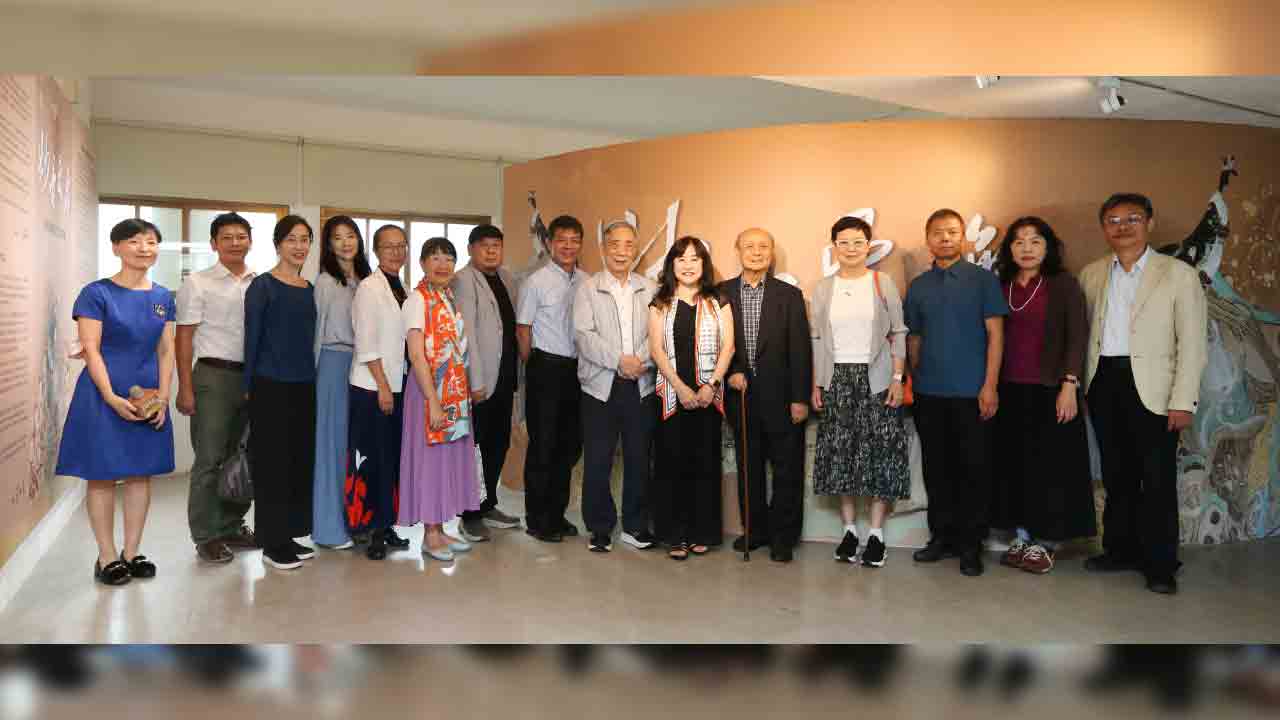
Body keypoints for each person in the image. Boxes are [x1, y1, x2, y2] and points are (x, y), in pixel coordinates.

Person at [1079, 193, 1207, 594]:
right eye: (1113, 220)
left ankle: (1160, 564)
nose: (1123, 227)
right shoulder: (1092, 273)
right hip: (1104, 382)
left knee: (1156, 479)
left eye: (1132, 219)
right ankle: (1120, 550)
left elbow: (1192, 343)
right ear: (1104, 228)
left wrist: (1183, 400)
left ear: (1149, 223)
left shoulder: (1178, 274)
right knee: (1116, 475)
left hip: (1155, 388)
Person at [57, 218, 175, 585]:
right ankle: (106, 556)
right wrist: (109, 396)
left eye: (151, 242)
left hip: (147, 397)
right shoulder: (96, 293)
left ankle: (132, 551)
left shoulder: (163, 297)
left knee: (141, 473)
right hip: (102, 394)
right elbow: (91, 348)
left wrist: (163, 396)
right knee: (102, 475)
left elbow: (166, 350)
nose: (144, 248)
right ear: (116, 248)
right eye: (134, 241)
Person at [991, 217, 1097, 574]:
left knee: (1051, 469)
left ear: (1048, 247)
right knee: (1015, 467)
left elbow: (1077, 336)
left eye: (1035, 241)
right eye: (1019, 242)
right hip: (1008, 390)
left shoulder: (1063, 284)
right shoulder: (1001, 285)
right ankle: (1023, 537)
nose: (1027, 248)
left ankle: (1046, 542)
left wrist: (1069, 384)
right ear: (1009, 249)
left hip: (1051, 389)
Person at [904, 208, 1008, 577]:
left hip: (972, 392)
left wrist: (990, 385)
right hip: (929, 393)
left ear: (962, 237)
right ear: (928, 239)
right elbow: (913, 338)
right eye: (937, 232)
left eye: (951, 231)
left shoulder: (983, 280)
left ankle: (971, 545)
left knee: (973, 470)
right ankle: (941, 538)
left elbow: (996, 335)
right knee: (936, 470)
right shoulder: (919, 286)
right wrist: (914, 377)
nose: (945, 238)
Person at [810, 216, 909, 568]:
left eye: (858, 242)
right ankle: (849, 532)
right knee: (842, 455)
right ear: (834, 246)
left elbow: (898, 332)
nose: (851, 249)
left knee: (882, 454)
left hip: (878, 379)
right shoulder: (823, 288)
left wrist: (897, 377)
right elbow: (816, 337)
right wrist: (817, 382)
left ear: (868, 246)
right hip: (837, 379)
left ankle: (877, 535)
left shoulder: (882, 283)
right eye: (844, 242)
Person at [719, 228, 813, 563]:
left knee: (787, 469)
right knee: (749, 467)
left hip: (784, 398)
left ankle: (783, 536)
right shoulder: (721, 293)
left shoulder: (789, 295)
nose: (756, 252)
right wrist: (730, 372)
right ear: (738, 250)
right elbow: (715, 342)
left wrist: (800, 398)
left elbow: (801, 350)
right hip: (742, 396)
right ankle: (754, 531)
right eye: (749, 246)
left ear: (771, 252)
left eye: (763, 246)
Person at [175, 212, 258, 564]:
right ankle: (206, 535)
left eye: (241, 236)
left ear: (250, 241)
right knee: (209, 459)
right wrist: (185, 387)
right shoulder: (198, 283)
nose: (235, 243)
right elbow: (184, 337)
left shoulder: (259, 282)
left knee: (242, 455)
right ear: (214, 243)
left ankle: (231, 525)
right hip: (213, 376)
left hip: (251, 378)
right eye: (227, 237)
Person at [574, 221, 660, 553]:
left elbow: (658, 334)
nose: (621, 252)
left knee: (639, 458)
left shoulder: (650, 288)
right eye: (614, 244)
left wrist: (640, 361)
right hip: (600, 386)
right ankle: (599, 528)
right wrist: (619, 361)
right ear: (603, 248)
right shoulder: (588, 288)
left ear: (635, 249)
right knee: (598, 460)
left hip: (641, 385)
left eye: (628, 245)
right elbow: (584, 335)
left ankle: (635, 526)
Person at [648, 236, 735, 560]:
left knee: (705, 464)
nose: (688, 265)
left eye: (695, 259)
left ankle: (702, 533)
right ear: (672, 264)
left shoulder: (718, 300)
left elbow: (729, 347)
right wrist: (681, 388)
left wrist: (711, 385)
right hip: (672, 396)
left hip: (707, 396)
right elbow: (656, 350)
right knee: (671, 465)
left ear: (704, 264)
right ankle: (675, 535)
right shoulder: (661, 302)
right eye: (681, 259)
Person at [398, 237, 481, 561]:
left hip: (452, 392)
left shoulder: (446, 297)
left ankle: (441, 527)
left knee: (447, 460)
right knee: (431, 462)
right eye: (435, 257)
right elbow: (417, 355)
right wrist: (433, 400)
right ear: (422, 263)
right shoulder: (417, 300)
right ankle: (429, 535)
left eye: (448, 258)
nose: (442, 264)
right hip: (427, 391)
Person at [244, 215, 317, 570]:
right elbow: (251, 339)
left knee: (296, 464)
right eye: (291, 239)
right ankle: (272, 543)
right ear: (277, 245)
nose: (299, 246)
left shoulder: (309, 288)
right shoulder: (262, 286)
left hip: (304, 385)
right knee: (272, 465)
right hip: (269, 386)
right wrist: (248, 390)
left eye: (305, 240)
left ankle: (288, 534)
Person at [516, 215, 588, 542]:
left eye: (574, 240)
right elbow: (523, 329)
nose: (568, 246)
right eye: (562, 240)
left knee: (569, 445)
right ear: (550, 243)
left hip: (579, 370)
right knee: (543, 445)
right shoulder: (535, 282)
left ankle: (557, 515)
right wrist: (534, 366)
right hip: (545, 368)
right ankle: (538, 519)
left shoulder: (587, 281)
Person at [451, 224, 523, 541]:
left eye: (497, 245)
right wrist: (474, 382)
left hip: (505, 378)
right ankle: (469, 514)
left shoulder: (506, 278)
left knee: (498, 443)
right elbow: (466, 335)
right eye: (484, 245)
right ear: (471, 249)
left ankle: (488, 503)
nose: (491, 251)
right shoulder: (464, 280)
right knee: (476, 448)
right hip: (480, 382)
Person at [347, 224, 414, 559]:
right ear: (375, 251)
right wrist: (383, 387)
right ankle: (371, 530)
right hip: (372, 388)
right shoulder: (369, 288)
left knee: (391, 458)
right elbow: (366, 342)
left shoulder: (403, 287)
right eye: (389, 246)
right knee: (373, 458)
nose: (396, 252)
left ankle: (387, 525)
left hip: (398, 385)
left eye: (401, 245)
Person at [311, 216, 371, 551]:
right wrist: (315, 377)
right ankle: (329, 529)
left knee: (355, 447)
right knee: (331, 446)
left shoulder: (366, 280)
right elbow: (316, 332)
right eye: (337, 237)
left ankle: (357, 520)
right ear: (329, 244)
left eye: (351, 236)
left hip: (364, 364)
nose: (346, 243)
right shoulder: (325, 281)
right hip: (333, 364)